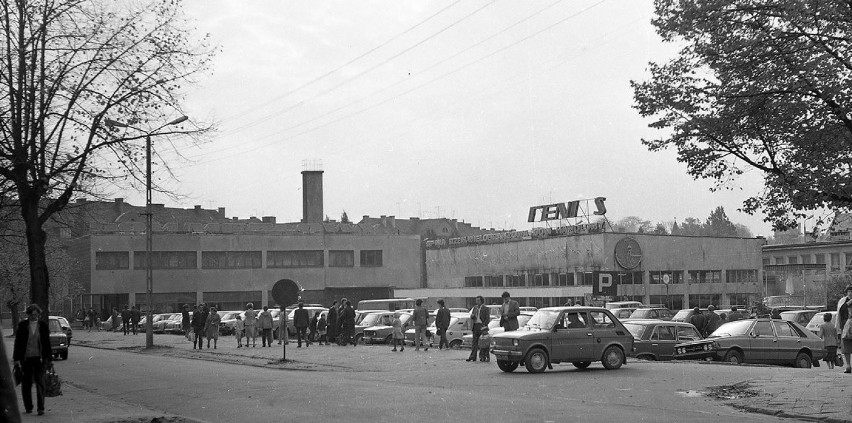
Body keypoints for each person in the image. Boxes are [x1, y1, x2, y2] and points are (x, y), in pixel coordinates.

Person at [13, 304, 51, 416]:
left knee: (40, 382)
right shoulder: (23, 326)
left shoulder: (43, 326)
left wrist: (49, 359)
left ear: (38, 315)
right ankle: (28, 407)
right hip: (26, 359)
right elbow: (18, 343)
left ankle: (41, 408)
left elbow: (47, 343)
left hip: (39, 359)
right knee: (26, 383)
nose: (34, 317)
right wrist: (16, 359)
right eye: (32, 314)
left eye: (36, 314)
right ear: (28, 315)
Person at [467, 296, 490, 362]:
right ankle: (473, 356)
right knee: (474, 342)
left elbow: (487, 318)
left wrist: (484, 325)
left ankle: (483, 356)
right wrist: (472, 316)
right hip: (475, 325)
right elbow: (472, 315)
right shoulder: (475, 308)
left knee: (483, 342)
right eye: (476, 300)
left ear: (481, 301)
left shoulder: (485, 308)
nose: (477, 302)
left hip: (482, 326)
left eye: (478, 300)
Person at [835, 285, 852, 373]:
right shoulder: (843, 301)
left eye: (851, 291)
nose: (850, 293)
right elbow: (841, 311)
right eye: (849, 291)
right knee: (846, 348)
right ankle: (848, 365)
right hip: (845, 327)